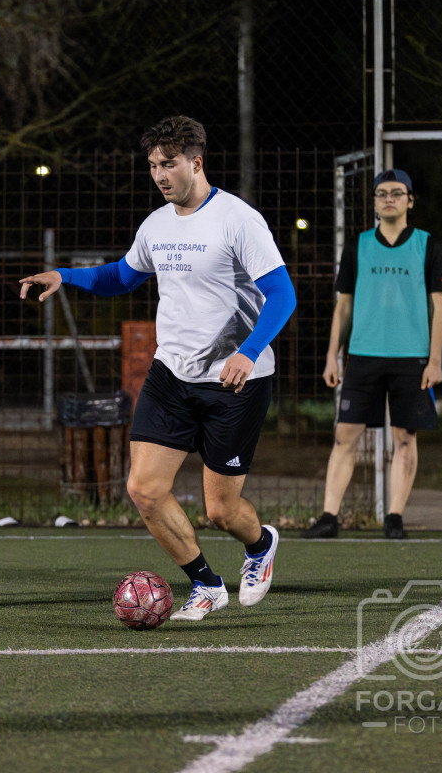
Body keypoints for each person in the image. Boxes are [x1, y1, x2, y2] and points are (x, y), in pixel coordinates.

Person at [20, 116, 296, 622]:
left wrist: (249, 351)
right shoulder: (157, 224)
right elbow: (122, 276)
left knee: (221, 511)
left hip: (235, 381)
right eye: (152, 166)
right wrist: (65, 275)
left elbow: (282, 294)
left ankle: (260, 544)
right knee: (144, 489)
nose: (159, 175)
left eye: (168, 164)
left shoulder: (238, 219)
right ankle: (207, 584)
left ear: (196, 162)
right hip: (170, 375)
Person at [304, 169, 442, 540]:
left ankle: (394, 518)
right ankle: (329, 517)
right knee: (344, 436)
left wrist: (435, 360)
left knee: (405, 439)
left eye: (397, 193)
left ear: (410, 200)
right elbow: (343, 306)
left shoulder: (428, 246)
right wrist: (332, 355)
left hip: (413, 358)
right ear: (373, 202)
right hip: (363, 356)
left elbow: (440, 308)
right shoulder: (358, 246)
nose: (389, 199)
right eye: (382, 193)